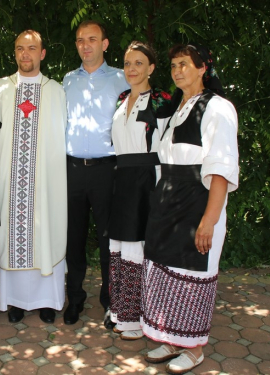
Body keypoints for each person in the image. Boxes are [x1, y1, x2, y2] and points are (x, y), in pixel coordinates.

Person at [141, 44, 239, 374]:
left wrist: (209, 221)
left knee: (193, 273)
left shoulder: (218, 108)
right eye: (173, 65)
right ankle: (171, 337)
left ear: (202, 69)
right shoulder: (178, 107)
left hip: (197, 202)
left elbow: (221, 168)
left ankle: (194, 348)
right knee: (168, 272)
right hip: (168, 202)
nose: (178, 70)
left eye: (185, 64)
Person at [0, 30, 67, 324]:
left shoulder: (56, 91)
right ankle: (16, 301)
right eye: (20, 48)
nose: (25, 54)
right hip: (8, 179)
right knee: (11, 234)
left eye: (32, 48)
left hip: (47, 181)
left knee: (45, 231)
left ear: (42, 53)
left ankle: (47, 300)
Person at [63, 20, 129, 327]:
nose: (85, 45)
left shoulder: (122, 79)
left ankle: (110, 302)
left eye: (92, 39)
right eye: (80, 40)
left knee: (108, 240)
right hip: (71, 170)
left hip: (107, 170)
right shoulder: (65, 81)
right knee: (72, 239)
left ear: (105, 44)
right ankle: (74, 298)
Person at [108, 41, 171, 341]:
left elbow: (170, 146)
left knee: (141, 246)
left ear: (151, 68)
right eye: (128, 63)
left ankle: (142, 317)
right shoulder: (121, 99)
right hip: (122, 179)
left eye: (139, 63)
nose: (132, 69)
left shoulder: (161, 101)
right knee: (120, 245)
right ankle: (122, 310)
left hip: (147, 179)